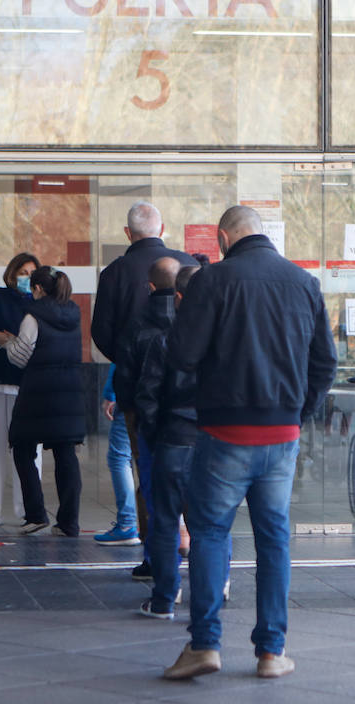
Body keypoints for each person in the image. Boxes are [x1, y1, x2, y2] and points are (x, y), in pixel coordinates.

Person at [159, 206, 336, 681]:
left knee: (211, 532)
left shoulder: (213, 282)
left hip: (224, 431)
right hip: (282, 434)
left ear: (223, 237)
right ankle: (271, 652)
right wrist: (298, 413)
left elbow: (182, 355)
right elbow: (325, 363)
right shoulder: (303, 282)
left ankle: (205, 645)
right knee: (274, 537)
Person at [91, 202, 197, 578]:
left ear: (127, 233)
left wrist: (128, 362)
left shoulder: (115, 273)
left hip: (136, 394)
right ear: (163, 228)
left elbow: (101, 333)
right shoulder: (188, 265)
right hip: (191, 397)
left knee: (147, 471)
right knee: (193, 474)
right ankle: (195, 544)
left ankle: (156, 558)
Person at [132, 259, 229, 620]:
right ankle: (216, 587)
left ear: (179, 297)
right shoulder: (224, 341)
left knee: (166, 520)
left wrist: (158, 435)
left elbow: (148, 396)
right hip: (213, 442)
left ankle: (164, 597)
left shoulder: (164, 341)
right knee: (212, 523)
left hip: (174, 438)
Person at [0, 266, 85, 537]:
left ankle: (35, 514)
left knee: (22, 448)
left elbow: (22, 357)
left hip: (39, 394)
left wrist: (9, 343)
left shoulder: (33, 317)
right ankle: (69, 522)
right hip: (69, 392)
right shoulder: (74, 312)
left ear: (37, 289)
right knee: (65, 454)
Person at [0, 251, 40, 525]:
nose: (26, 278)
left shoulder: (40, 304)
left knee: (28, 452)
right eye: (22, 272)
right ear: (12, 273)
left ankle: (27, 510)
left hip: (29, 384)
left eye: (31, 273)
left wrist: (13, 340)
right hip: (1, 380)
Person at [95, 364, 141, 546]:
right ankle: (173, 528)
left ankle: (127, 524)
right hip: (165, 397)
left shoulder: (134, 334)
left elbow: (121, 357)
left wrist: (110, 393)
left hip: (132, 393)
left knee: (119, 458)